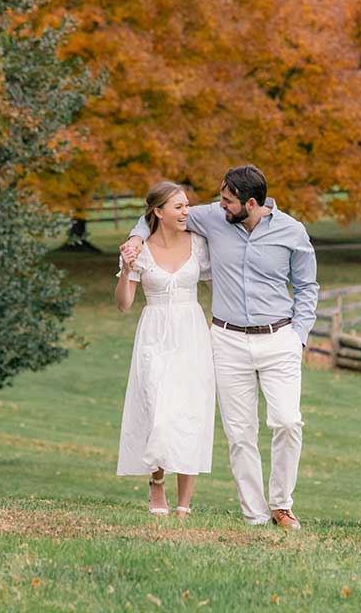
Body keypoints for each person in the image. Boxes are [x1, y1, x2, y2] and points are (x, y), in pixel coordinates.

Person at [121, 164, 318, 530]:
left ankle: (281, 504)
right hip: (227, 340)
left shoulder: (292, 231)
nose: (219, 205)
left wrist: (299, 335)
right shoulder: (213, 217)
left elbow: (308, 287)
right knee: (240, 433)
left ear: (252, 202)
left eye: (227, 200)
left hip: (279, 339)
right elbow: (156, 211)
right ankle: (256, 516)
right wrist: (135, 238)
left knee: (288, 421)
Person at [114, 181, 215, 518]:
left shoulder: (199, 244)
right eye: (179, 207)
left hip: (191, 332)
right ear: (158, 212)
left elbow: (219, 286)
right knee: (157, 407)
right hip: (154, 332)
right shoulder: (137, 249)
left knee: (190, 411)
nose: (187, 212)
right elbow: (124, 304)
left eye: (187, 205)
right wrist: (126, 269)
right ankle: (156, 483)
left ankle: (185, 502)